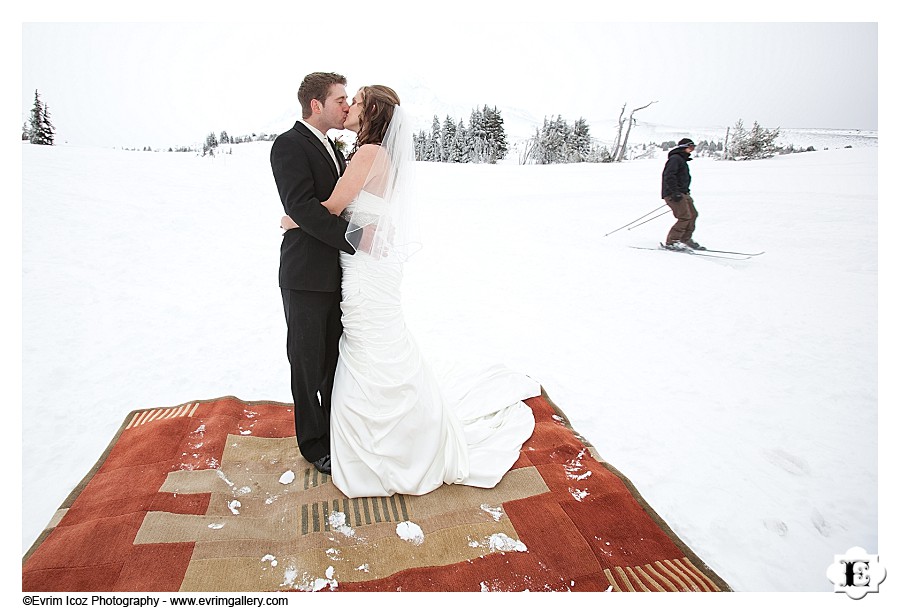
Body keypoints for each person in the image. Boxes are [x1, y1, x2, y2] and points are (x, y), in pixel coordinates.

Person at [281, 85, 539, 498]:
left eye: (356, 102)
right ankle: (384, 429)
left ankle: (386, 438)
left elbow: (328, 209)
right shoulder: (375, 152)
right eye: (343, 100)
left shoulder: (368, 154)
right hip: (366, 260)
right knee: (374, 340)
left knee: (370, 340)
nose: (349, 107)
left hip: (365, 265)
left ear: (371, 113)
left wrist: (291, 220)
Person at [270, 72, 358, 476]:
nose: (346, 106)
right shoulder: (288, 145)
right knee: (305, 363)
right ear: (315, 105)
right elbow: (303, 207)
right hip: (305, 274)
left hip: (338, 274)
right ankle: (313, 444)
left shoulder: (334, 147)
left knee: (334, 361)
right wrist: (357, 238)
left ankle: (337, 430)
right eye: (340, 99)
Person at [661, 138, 704, 251]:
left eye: (693, 147)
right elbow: (669, 176)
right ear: (683, 147)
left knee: (693, 215)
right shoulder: (675, 159)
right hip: (674, 194)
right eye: (690, 147)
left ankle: (684, 239)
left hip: (683, 193)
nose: (692, 150)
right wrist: (674, 192)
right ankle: (672, 242)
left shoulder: (681, 160)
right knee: (684, 217)